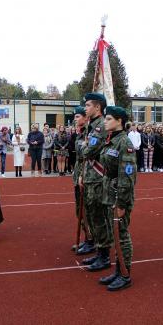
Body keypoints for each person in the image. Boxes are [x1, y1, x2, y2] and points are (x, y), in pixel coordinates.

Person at [98, 106, 136, 291]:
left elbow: (127, 177)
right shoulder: (111, 140)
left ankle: (125, 274)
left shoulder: (124, 143)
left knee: (121, 235)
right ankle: (118, 270)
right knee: (114, 234)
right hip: (109, 193)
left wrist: (121, 202)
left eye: (109, 119)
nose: (105, 121)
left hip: (119, 196)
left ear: (119, 121)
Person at [79, 92, 112, 272]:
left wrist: (84, 147)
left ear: (97, 107)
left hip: (99, 179)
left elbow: (88, 152)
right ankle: (99, 251)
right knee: (92, 216)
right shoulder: (92, 125)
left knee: (99, 217)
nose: (85, 109)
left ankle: (104, 255)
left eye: (88, 106)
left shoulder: (100, 126)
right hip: (91, 177)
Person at [72, 106, 94, 254]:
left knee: (87, 211)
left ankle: (91, 241)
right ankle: (88, 238)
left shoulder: (89, 133)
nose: (75, 119)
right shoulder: (79, 134)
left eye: (78, 116)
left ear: (86, 118)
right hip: (78, 174)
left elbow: (87, 155)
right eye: (75, 117)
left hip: (86, 175)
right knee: (79, 211)